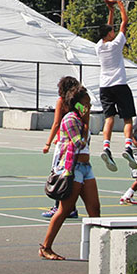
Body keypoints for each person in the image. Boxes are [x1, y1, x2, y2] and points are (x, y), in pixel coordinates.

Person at [39, 86, 100, 260]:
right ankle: (46, 247)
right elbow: (78, 143)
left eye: (89, 104)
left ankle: (97, 248)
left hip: (86, 167)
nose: (88, 107)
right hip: (73, 169)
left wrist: (86, 120)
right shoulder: (71, 119)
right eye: (85, 104)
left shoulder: (81, 120)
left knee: (94, 209)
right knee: (64, 209)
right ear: (77, 104)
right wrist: (86, 121)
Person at [96, 1, 137, 172]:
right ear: (110, 34)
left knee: (109, 118)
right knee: (127, 118)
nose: (114, 31)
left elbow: (109, 27)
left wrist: (110, 10)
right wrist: (121, 6)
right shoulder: (116, 44)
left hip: (104, 86)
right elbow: (124, 24)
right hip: (119, 83)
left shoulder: (99, 46)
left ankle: (106, 147)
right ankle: (127, 147)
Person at [41, 76, 81, 219]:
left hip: (63, 144)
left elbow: (56, 123)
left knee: (59, 174)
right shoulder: (78, 104)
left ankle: (59, 207)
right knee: (70, 174)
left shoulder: (61, 102)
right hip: (75, 143)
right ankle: (70, 207)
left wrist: (48, 143)